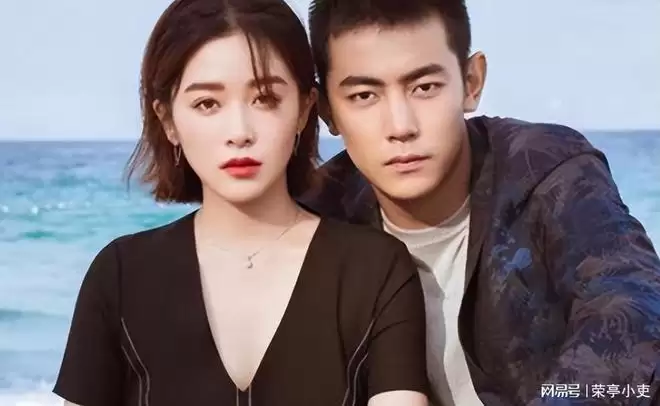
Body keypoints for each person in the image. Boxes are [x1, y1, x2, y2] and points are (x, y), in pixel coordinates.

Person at [52, 0, 431, 405]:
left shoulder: (376, 269)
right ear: (168, 121)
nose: (240, 131)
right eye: (207, 104)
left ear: (304, 109)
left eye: (265, 99)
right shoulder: (121, 276)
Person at [302, 0, 660, 405]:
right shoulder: (319, 219)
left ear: (471, 82)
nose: (401, 126)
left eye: (424, 88)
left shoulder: (545, 170)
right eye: (365, 95)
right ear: (327, 110)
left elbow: (634, 306)